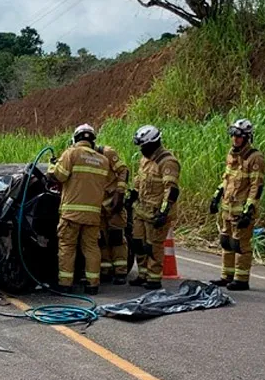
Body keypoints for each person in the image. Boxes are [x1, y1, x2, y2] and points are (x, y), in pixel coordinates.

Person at [46, 124, 112, 295]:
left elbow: (59, 176)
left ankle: (65, 284)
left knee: (67, 247)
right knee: (91, 248)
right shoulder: (103, 160)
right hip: (93, 214)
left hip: (72, 214)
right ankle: (92, 285)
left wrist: (51, 166)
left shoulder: (71, 153)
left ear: (76, 138)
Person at [209, 119, 265, 291]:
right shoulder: (232, 155)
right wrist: (216, 197)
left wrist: (248, 211)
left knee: (240, 245)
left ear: (247, 137)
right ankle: (227, 276)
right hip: (227, 209)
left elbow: (257, 186)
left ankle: (241, 279)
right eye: (233, 135)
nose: (235, 139)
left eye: (239, 136)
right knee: (226, 242)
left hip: (242, 211)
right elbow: (226, 180)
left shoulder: (255, 158)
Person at [130, 125, 181, 290]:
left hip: (156, 213)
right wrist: (131, 196)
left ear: (153, 143)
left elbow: (171, 190)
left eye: (143, 146)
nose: (141, 149)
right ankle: (143, 274)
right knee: (138, 244)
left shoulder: (168, 162)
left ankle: (154, 278)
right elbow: (139, 181)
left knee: (153, 247)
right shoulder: (145, 160)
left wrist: (164, 212)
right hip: (141, 210)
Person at [97, 141, 131, 285]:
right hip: (98, 205)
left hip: (113, 203)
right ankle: (105, 270)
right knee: (101, 239)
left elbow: (123, 171)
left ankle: (120, 272)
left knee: (116, 238)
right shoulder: (82, 156)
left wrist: (120, 193)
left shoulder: (108, 153)